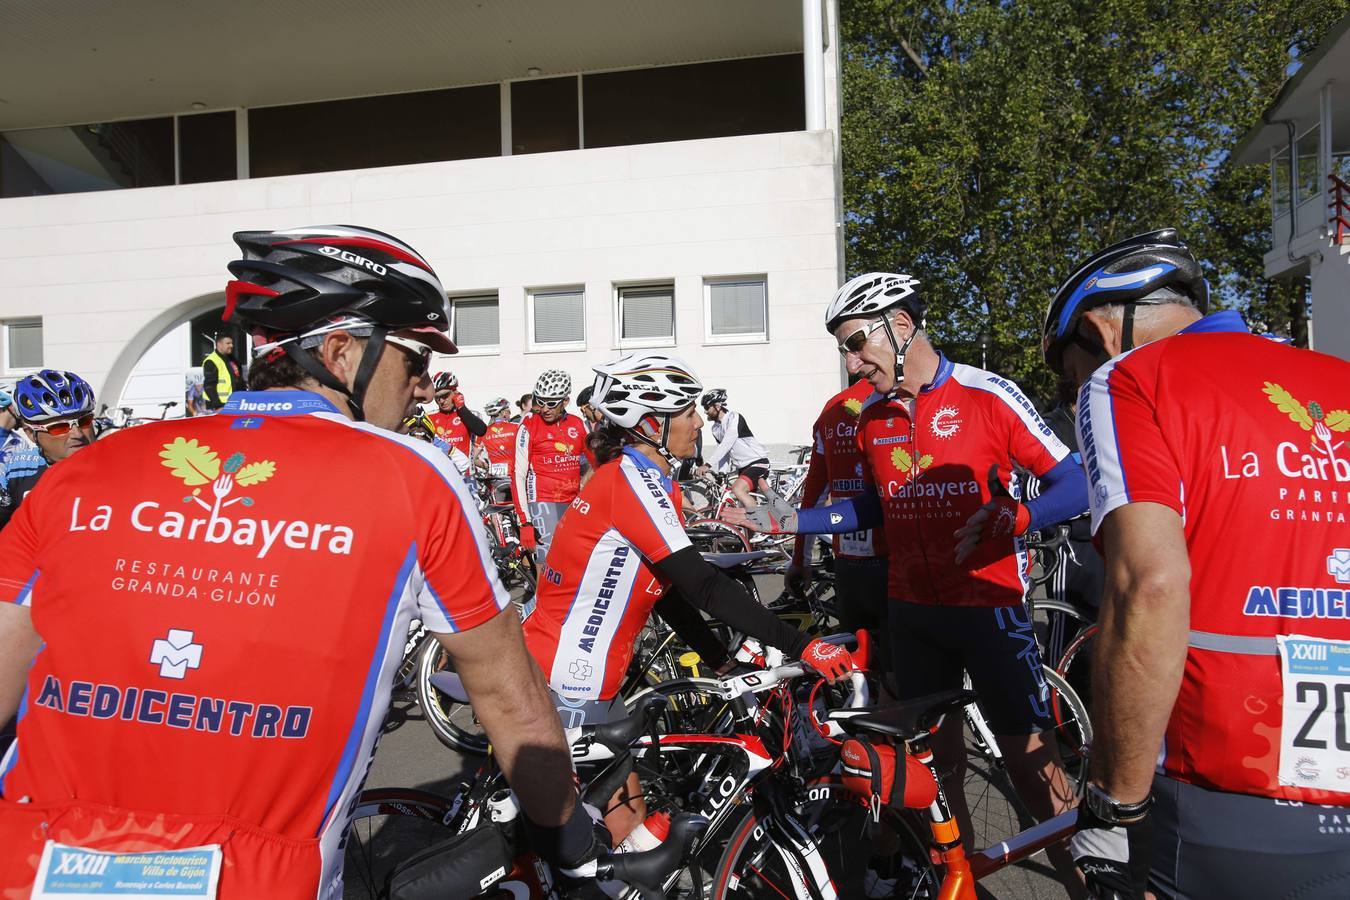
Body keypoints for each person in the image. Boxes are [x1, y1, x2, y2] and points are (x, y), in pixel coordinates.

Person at [0, 225, 600, 899]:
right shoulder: (410, 476)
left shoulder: (90, 469)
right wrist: (568, 836)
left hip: (29, 861)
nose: (425, 391)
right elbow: (503, 693)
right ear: (342, 352)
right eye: (414, 361)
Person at [728, 272, 1088, 885]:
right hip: (913, 613)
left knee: (1034, 768)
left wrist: (1018, 516)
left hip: (989, 610)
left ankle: (1086, 887)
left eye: (856, 342)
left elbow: (1076, 482)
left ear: (900, 327)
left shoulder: (987, 393)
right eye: (843, 348)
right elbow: (870, 507)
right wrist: (793, 519)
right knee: (935, 778)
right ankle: (959, 884)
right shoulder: (872, 416)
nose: (851, 362)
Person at [1044, 229, 1350, 899]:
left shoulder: (1129, 380)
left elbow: (1148, 586)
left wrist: (1114, 806)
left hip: (1222, 787)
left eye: (1072, 379)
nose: (1076, 394)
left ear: (1101, 330)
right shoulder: (1338, 378)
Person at [523, 351, 856, 841]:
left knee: (629, 824)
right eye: (687, 412)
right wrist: (802, 644)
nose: (699, 421)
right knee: (578, 843)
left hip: (592, 675)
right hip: (570, 677)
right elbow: (702, 583)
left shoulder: (646, 478)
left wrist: (716, 657)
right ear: (650, 424)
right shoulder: (630, 480)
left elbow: (666, 591)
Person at [787, 374, 892, 687]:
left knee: (857, 674)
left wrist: (800, 560)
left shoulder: (832, 410)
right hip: (894, 561)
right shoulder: (896, 402)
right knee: (901, 679)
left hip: (848, 565)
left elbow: (814, 495)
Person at [0, 369, 99, 531]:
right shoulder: (16, 470)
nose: (77, 433)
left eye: (84, 421)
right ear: (31, 434)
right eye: (59, 427)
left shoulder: (117, 466)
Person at [512, 369, 588, 563]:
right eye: (540, 402)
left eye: (551, 403)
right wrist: (525, 522)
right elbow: (518, 475)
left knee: (576, 563)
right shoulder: (529, 426)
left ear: (565, 401)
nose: (545, 409)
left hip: (574, 502)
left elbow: (592, 464)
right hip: (543, 502)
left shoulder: (578, 424)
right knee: (547, 567)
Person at [699, 388, 770, 510]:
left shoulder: (734, 417)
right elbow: (724, 452)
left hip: (757, 463)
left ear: (717, 406)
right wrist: (722, 472)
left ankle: (760, 525)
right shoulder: (715, 428)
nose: (705, 412)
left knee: (737, 490)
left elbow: (727, 443)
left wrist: (707, 465)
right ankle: (752, 529)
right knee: (744, 506)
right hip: (742, 468)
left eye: (707, 407)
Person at [427, 371, 487, 458]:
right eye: (437, 398)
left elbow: (481, 431)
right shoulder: (429, 417)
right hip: (442, 470)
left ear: (455, 392)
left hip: (465, 470)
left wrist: (461, 407)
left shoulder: (472, 414)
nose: (441, 401)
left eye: (445, 395)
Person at [480, 396, 520, 483]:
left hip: (495, 476)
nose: (510, 414)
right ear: (504, 413)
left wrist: (487, 466)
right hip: (515, 474)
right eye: (509, 411)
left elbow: (473, 458)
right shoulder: (517, 427)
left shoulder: (483, 432)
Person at [201, 333, 242, 411]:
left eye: (232, 343)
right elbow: (209, 386)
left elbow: (239, 380)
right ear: (219, 344)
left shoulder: (232, 360)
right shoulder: (211, 361)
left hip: (234, 403)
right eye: (228, 343)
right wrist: (218, 406)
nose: (231, 346)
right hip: (220, 406)